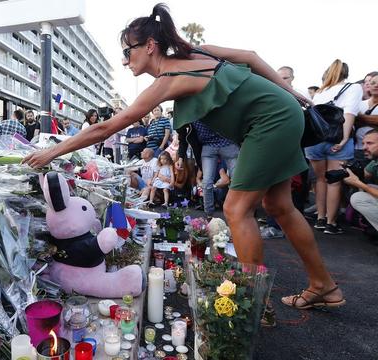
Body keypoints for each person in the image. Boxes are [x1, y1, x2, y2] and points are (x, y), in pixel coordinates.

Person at [23, 3, 344, 310]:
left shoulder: (168, 81)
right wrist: (289, 93)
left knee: (236, 208)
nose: (124, 61)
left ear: (150, 45)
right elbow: (251, 56)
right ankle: (323, 286)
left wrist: (51, 151)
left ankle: (251, 306)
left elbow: (106, 128)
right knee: (279, 206)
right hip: (278, 115)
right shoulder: (196, 52)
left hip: (270, 121)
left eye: (127, 51)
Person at [305, 60, 363, 235]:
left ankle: (320, 219)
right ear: (346, 73)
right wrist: (344, 138)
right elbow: (348, 113)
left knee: (320, 180)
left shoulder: (320, 92)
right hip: (336, 139)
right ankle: (331, 223)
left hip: (314, 140)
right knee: (334, 181)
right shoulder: (353, 88)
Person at [344, 130, 378, 234]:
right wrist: (347, 170)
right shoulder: (375, 161)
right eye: (363, 143)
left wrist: (358, 183)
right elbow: (364, 174)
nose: (364, 148)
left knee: (359, 198)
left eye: (370, 143)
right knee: (367, 188)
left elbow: (361, 182)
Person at [355, 74, 378, 167]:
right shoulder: (360, 104)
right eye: (373, 83)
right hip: (358, 150)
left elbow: (355, 118)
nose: (376, 85)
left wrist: (359, 117)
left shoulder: (357, 107)